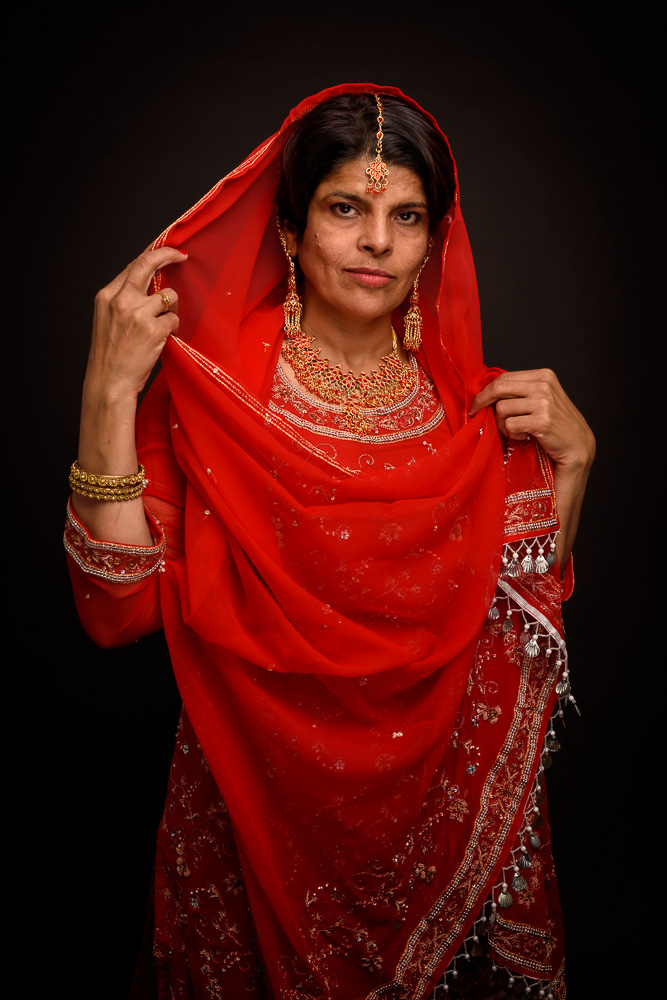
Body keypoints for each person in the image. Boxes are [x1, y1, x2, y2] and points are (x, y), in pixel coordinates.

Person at [64, 84, 595, 999]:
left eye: (406, 216)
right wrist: (107, 393)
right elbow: (117, 610)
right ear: (290, 227)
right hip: (252, 816)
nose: (377, 241)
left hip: (432, 833)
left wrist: (575, 463)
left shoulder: (475, 408)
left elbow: (512, 617)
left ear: (433, 239)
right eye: (345, 208)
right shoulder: (214, 394)